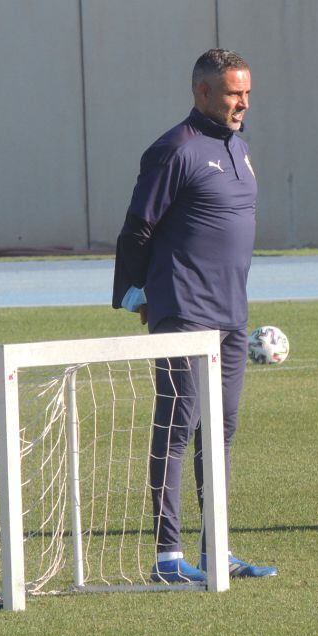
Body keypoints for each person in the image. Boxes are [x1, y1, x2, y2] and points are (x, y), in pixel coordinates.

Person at [112, 48, 277, 584]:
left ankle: (217, 550)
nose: (242, 103)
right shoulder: (173, 150)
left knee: (221, 430)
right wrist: (134, 294)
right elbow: (137, 229)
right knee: (179, 426)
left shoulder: (240, 148)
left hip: (232, 316)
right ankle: (167, 556)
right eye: (233, 93)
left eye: (247, 93)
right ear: (202, 92)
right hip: (183, 311)